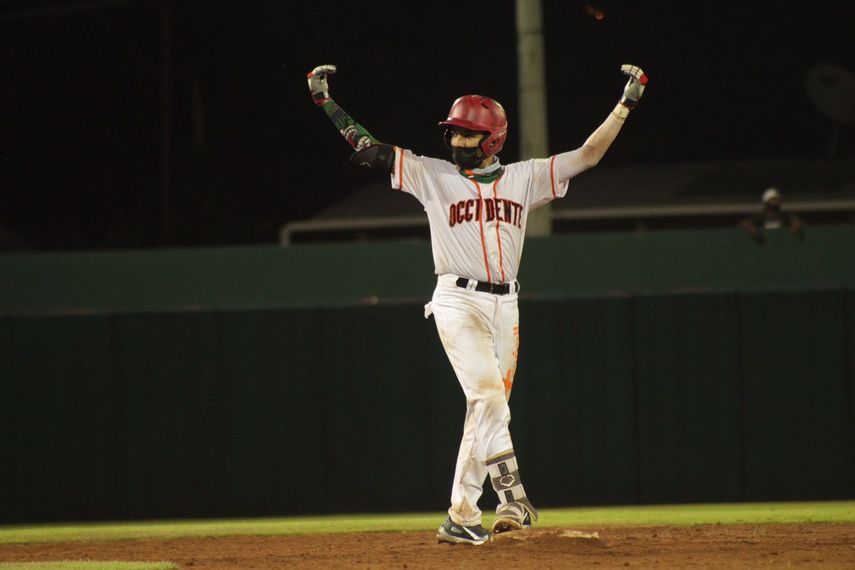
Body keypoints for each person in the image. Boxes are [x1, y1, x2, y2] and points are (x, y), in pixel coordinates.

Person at [307, 63, 648, 545]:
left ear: (493, 140)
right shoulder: (431, 174)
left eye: (469, 134)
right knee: (488, 397)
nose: (458, 141)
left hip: (506, 307)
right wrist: (327, 103)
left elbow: (589, 154)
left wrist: (625, 104)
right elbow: (371, 149)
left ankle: (487, 507)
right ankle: (489, 504)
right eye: (456, 132)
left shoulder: (525, 179)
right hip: (456, 301)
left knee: (488, 408)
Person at [739, 187, 805, 245]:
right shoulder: (761, 216)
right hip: (765, 247)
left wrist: (796, 225)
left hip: (781, 245)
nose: (775, 201)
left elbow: (797, 221)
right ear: (766, 201)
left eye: (776, 198)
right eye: (772, 199)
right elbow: (744, 223)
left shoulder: (783, 215)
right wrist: (752, 230)